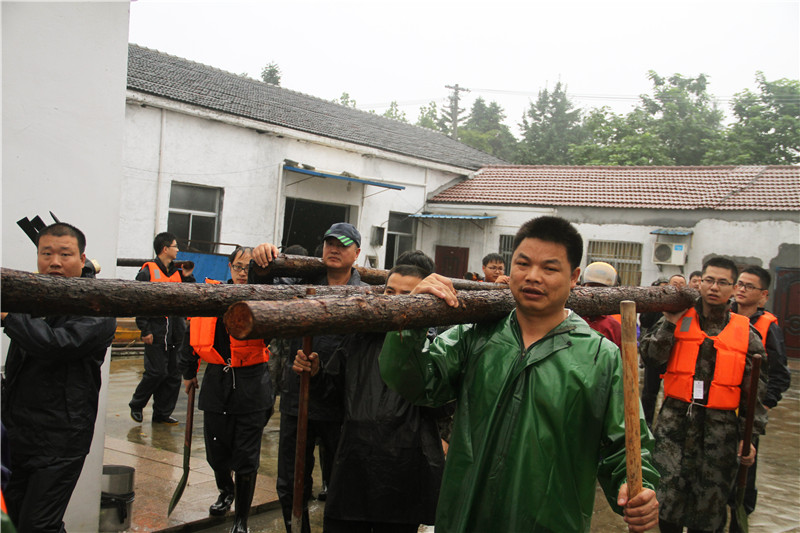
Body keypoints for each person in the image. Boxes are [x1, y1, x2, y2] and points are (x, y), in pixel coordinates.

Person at [379, 216, 660, 533]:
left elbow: (626, 446)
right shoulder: (475, 336)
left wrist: (637, 488)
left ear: (574, 277)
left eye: (550, 268)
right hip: (465, 517)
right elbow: (415, 381)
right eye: (523, 264)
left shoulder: (600, 357)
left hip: (551, 523)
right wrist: (411, 321)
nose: (533, 276)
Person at [293, 264, 445, 533]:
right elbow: (332, 393)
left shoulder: (431, 345)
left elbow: (441, 406)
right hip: (355, 462)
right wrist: (315, 374)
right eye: (390, 291)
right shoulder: (358, 336)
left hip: (403, 466)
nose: (394, 300)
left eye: (407, 294)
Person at [253, 222, 368, 533]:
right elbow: (266, 292)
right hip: (298, 399)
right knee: (291, 483)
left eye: (343, 245)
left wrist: (324, 372)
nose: (334, 249)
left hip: (341, 406)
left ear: (357, 253)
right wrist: (261, 263)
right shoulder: (301, 284)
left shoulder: (364, 295)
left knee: (341, 484)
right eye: (330, 243)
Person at [1, 223, 116, 532]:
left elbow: (56, 345)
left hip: (62, 438)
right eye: (46, 254)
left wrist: (9, 316)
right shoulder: (33, 296)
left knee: (39, 525)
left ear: (82, 259)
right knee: (11, 521)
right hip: (18, 433)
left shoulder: (98, 305)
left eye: (65, 254)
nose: (54, 262)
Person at [640, 257, 767, 533]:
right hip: (674, 427)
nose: (714, 287)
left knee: (709, 513)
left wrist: (749, 438)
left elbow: (754, 394)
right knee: (666, 504)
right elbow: (650, 359)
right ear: (700, 283)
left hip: (720, 436)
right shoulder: (676, 319)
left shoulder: (747, 334)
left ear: (733, 288)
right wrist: (669, 324)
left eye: (722, 282)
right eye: (709, 280)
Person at [180, 246, 273, 533]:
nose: (244, 273)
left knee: (246, 457)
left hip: (252, 385)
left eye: (250, 268)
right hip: (217, 382)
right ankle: (225, 491)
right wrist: (188, 372)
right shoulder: (213, 296)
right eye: (239, 267)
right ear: (230, 267)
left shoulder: (264, 298)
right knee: (216, 452)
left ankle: (241, 519)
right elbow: (192, 332)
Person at [725, 265, 791, 532]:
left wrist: (763, 406)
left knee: (743, 477)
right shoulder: (722, 317)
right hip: (719, 409)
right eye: (739, 284)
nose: (741, 289)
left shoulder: (767, 327)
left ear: (763, 295)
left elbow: (780, 375)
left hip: (747, 416)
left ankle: (739, 523)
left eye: (749, 286)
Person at [129, 232, 195, 425]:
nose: (178, 250)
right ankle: (137, 404)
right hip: (156, 331)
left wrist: (188, 277)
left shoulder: (178, 272)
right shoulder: (147, 272)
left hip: (176, 332)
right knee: (156, 372)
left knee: (173, 375)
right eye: (175, 246)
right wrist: (145, 329)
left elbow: (191, 294)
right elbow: (139, 302)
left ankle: (162, 413)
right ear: (165, 249)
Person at [640, 274, 687, 427]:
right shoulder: (659, 301)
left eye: (681, 284)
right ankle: (646, 424)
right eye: (674, 283)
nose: (677, 286)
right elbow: (645, 321)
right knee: (649, 392)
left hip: (675, 357)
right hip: (656, 351)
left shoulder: (688, 310)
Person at [579, 261, 622, 347]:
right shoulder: (569, 318)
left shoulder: (614, 327)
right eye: (592, 287)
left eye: (602, 288)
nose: (596, 293)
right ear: (582, 287)